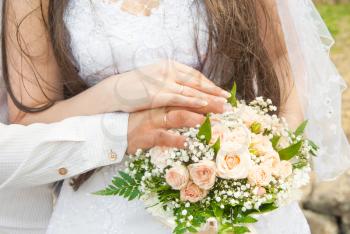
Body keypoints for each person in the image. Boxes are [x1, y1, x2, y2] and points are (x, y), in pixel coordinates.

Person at [1, 0, 349, 233]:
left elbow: (280, 60)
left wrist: (268, 166)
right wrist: (119, 92)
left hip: (236, 191)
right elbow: (32, 121)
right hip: (108, 206)